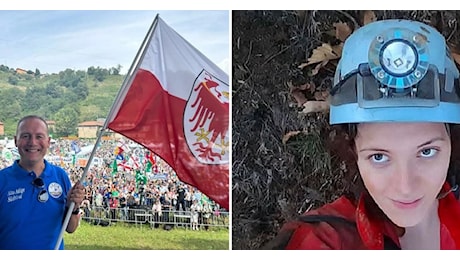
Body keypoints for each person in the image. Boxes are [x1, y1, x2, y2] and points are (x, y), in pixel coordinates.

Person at [263, 19, 460, 250]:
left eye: (427, 151)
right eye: (379, 157)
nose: (406, 187)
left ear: (451, 143)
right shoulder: (325, 242)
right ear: (353, 150)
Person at [0, 115, 85, 249]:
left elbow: (70, 228)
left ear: (48, 141)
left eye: (39, 136)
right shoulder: (2, 180)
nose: (32, 142)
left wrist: (73, 207)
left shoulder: (60, 176)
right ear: (16, 141)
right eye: (25, 136)